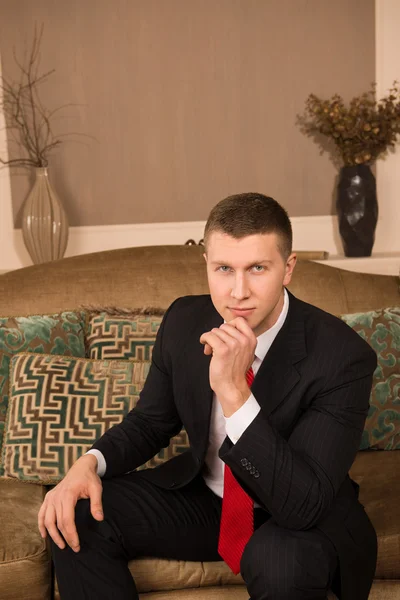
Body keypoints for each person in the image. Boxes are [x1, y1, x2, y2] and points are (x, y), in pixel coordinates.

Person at [38, 193, 377, 600]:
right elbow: (151, 422)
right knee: (73, 515)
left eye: (257, 268)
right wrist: (88, 464)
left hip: (293, 515)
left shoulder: (341, 355)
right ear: (206, 267)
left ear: (287, 269)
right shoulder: (184, 320)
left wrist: (234, 391)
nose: (238, 292)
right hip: (209, 502)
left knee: (278, 561)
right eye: (223, 269)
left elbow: (302, 505)